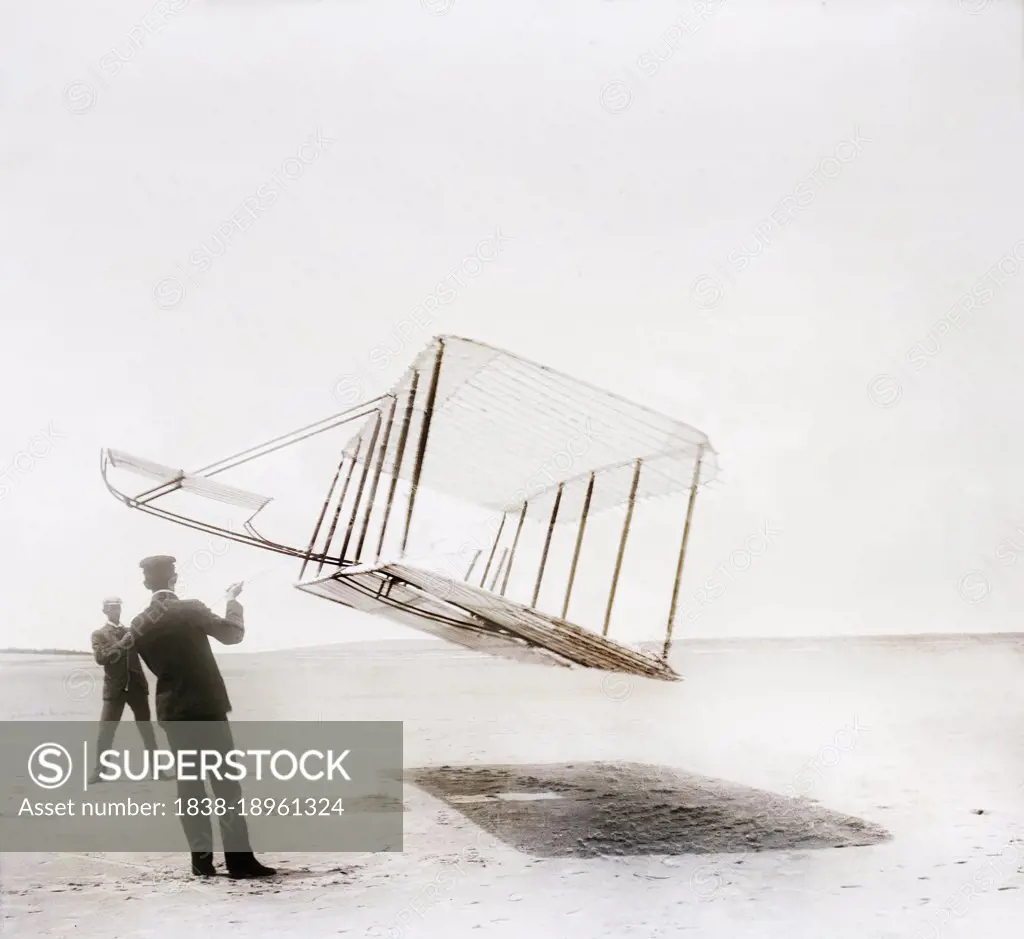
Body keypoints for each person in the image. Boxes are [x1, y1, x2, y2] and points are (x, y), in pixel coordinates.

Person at [108, 555, 276, 879]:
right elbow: (232, 635)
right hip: (207, 708)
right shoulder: (192, 608)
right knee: (226, 786)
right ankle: (240, 862)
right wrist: (231, 601)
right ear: (174, 579)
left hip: (173, 713)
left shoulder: (139, 624)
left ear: (147, 584)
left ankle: (201, 863)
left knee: (190, 788)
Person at [88, 596, 160, 784]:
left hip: (137, 686)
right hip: (115, 688)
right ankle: (99, 772)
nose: (116, 611)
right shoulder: (99, 634)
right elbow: (101, 658)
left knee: (147, 730)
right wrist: (121, 644)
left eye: (118, 607)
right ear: (105, 611)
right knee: (106, 731)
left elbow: (148, 652)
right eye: (112, 608)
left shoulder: (131, 632)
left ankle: (158, 770)